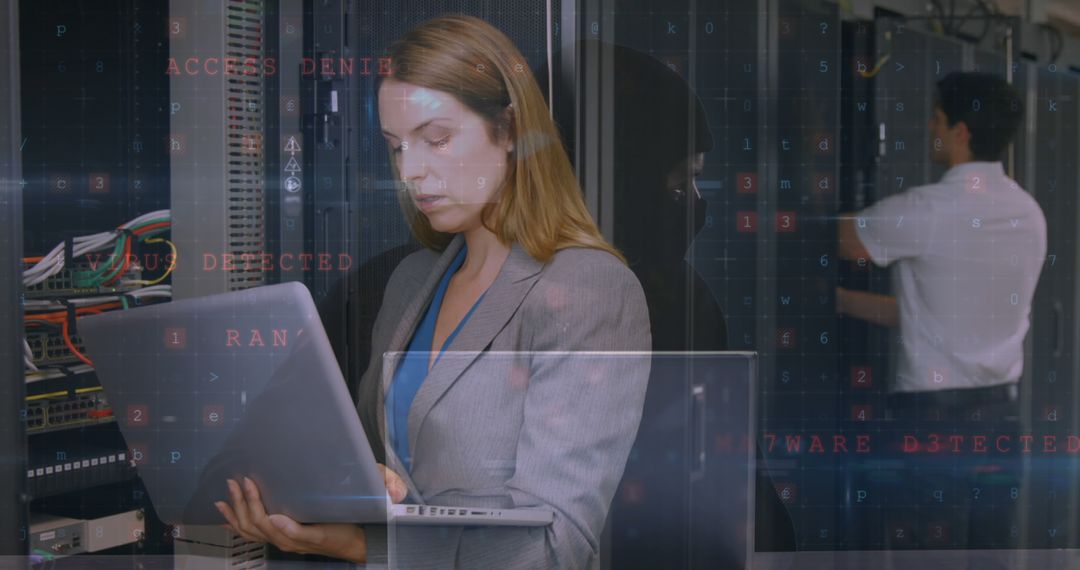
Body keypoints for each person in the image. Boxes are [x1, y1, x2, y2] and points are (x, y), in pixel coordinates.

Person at [216, 15, 652, 568]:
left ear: (512, 130)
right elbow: (390, 478)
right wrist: (331, 493)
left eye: (437, 140)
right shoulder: (411, 283)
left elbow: (552, 549)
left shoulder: (587, 288)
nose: (412, 172)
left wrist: (359, 544)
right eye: (396, 148)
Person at [836, 72, 1046, 423]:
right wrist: (840, 300)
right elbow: (933, 316)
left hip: (933, 421)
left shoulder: (929, 209)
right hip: (1000, 418)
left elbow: (835, 238)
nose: (930, 128)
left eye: (937, 118)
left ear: (960, 132)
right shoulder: (1029, 214)